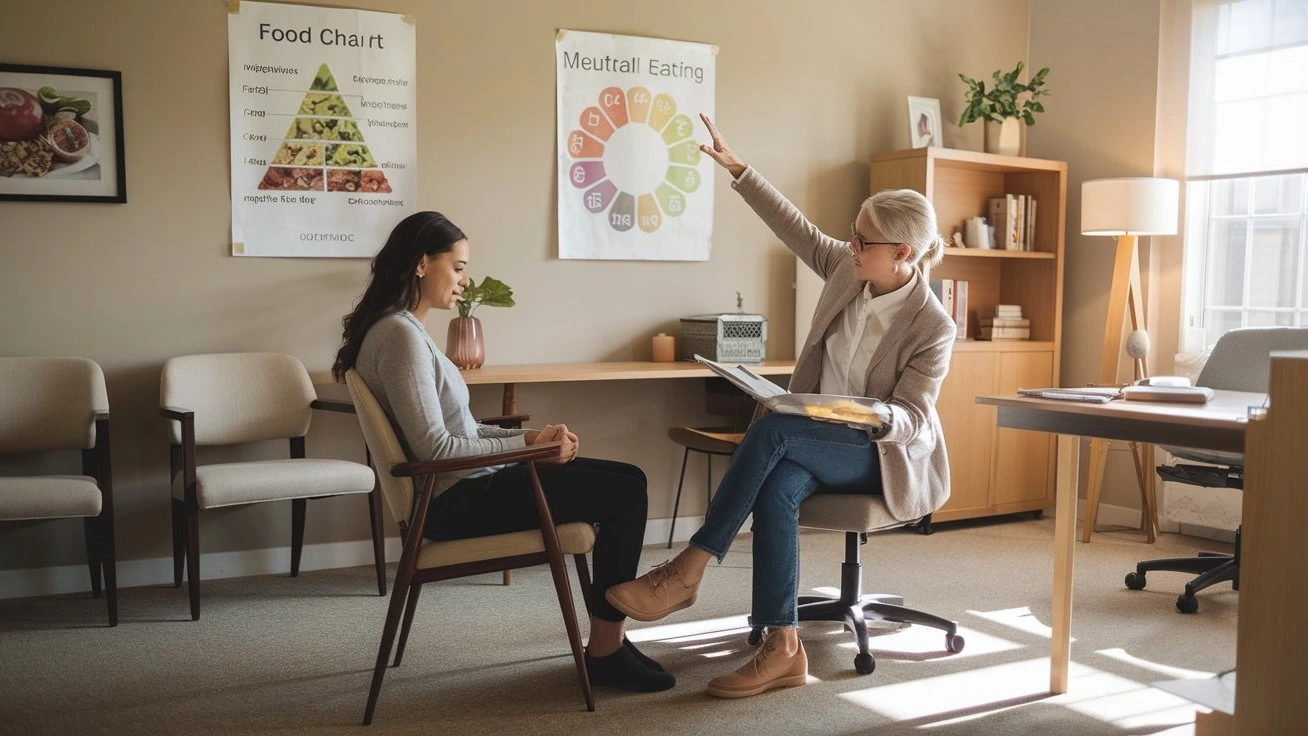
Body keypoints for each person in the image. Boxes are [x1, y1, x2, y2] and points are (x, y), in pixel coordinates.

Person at [605, 115, 954, 699]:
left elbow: (913, 421)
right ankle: (783, 647)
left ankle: (686, 572)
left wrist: (865, 414)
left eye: (864, 241)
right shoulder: (848, 272)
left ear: (904, 253)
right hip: (813, 438)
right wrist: (740, 170)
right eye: (853, 233)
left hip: (878, 453)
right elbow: (797, 229)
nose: (850, 245)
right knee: (779, 482)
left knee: (775, 432)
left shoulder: (932, 327)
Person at [332, 212, 672, 692]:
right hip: (454, 501)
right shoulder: (401, 337)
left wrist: (532, 443)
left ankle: (609, 640)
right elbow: (438, 448)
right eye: (458, 267)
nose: (463, 281)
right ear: (421, 264)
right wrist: (524, 452)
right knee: (624, 495)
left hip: (460, 487)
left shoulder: (402, 331)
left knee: (630, 479)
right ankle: (607, 650)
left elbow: (463, 430)